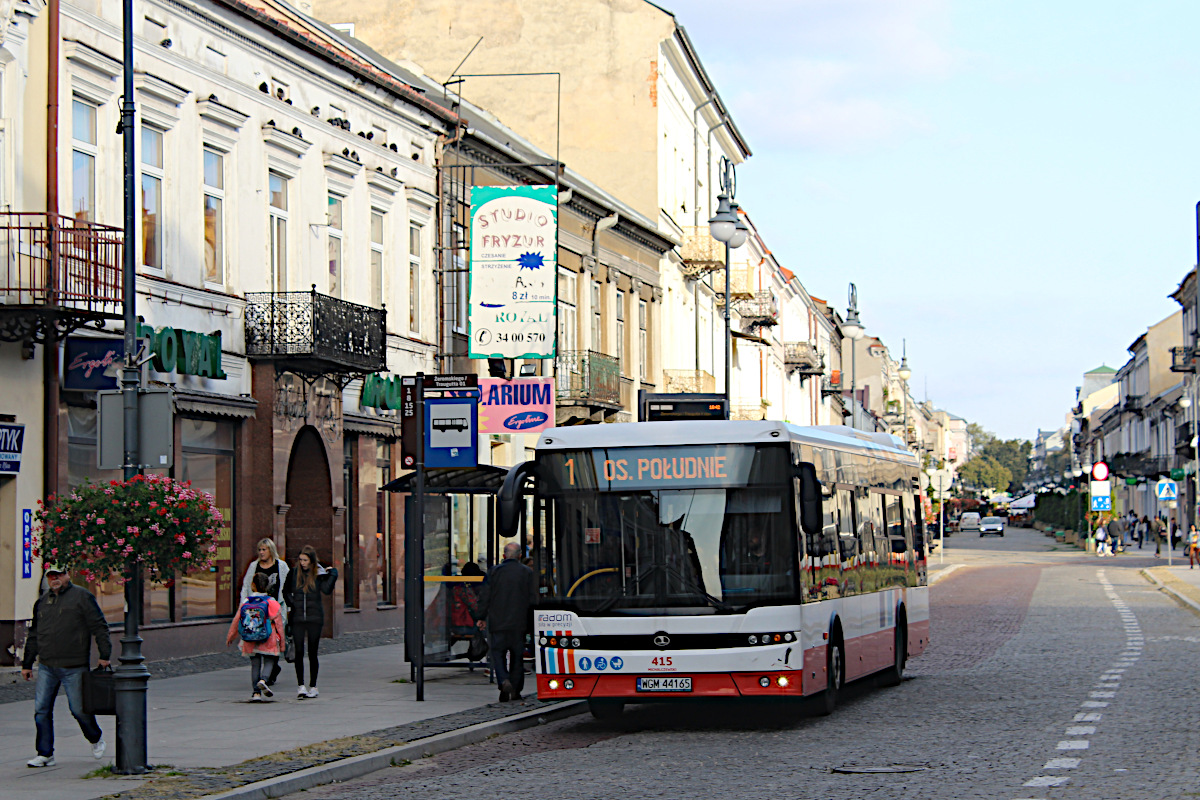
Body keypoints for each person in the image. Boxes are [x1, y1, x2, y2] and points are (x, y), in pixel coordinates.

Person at [20, 564, 111, 767]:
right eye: (51, 576)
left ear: (67, 575)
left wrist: (105, 654)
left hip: (74, 665)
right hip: (46, 665)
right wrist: (27, 664)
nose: (55, 579)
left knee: (79, 709)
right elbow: (34, 634)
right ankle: (45, 753)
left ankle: (95, 738)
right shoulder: (42, 602)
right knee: (41, 710)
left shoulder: (82, 597)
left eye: (59, 575)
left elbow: (99, 625)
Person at [476, 542, 538, 702]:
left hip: (498, 621)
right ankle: (516, 690)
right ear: (519, 556)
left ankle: (503, 681)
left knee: (498, 654)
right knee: (517, 656)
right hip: (519, 623)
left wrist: (481, 617)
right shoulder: (527, 572)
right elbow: (533, 599)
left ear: (504, 556)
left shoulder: (494, 572)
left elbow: (485, 596)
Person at [282, 545, 337, 698]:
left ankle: (313, 685)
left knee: (313, 652)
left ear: (312, 561)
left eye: (305, 560)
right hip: (298, 618)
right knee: (298, 652)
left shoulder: (318, 574)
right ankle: (301, 685)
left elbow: (326, 590)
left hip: (315, 617)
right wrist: (292, 604)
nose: (302, 563)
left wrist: (332, 575)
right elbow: (285, 591)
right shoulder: (293, 574)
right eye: (300, 560)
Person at [227, 572, 286, 701]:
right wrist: (282, 643)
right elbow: (279, 625)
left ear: (253, 585)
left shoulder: (246, 601)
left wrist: (231, 636)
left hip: (250, 638)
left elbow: (237, 620)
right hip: (268, 638)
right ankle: (264, 680)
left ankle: (256, 693)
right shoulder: (272, 602)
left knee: (255, 665)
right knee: (270, 660)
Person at [240, 538, 289, 686]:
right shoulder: (254, 566)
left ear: (271, 550)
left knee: (274, 639)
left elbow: (287, 587)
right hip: (256, 610)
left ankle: (270, 670)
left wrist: (287, 607)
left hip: (275, 609)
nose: (261, 552)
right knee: (258, 639)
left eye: (264, 550)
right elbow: (246, 585)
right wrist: (244, 604)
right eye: (259, 550)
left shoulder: (281, 566)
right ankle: (268, 672)